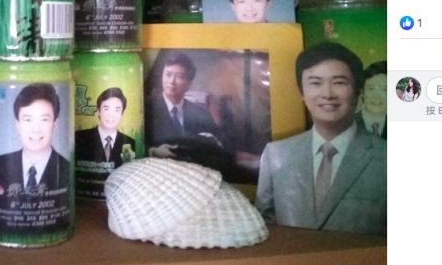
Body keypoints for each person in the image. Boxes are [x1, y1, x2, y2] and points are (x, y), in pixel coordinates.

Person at [255, 42, 386, 236]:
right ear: (301, 92)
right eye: (315, 83)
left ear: (358, 91)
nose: (327, 94)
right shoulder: (275, 155)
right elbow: (264, 228)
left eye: (339, 83)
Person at [0, 83, 71, 233]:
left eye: (44, 120)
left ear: (55, 124)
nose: (36, 129)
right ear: (17, 125)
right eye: (28, 119)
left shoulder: (67, 169)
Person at [145, 53, 223, 161]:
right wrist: (152, 151)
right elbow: (133, 145)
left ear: (189, 84)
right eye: (168, 74)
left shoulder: (201, 114)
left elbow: (219, 144)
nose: (171, 81)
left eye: (179, 77)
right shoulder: (146, 110)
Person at [75, 87, 136, 167]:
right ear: (98, 111)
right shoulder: (80, 137)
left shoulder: (129, 142)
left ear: (122, 113)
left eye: (116, 110)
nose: (111, 115)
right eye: (106, 109)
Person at [356, 61, 387, 139]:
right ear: (362, 92)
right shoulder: (345, 124)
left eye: (384, 89)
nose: (377, 96)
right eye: (371, 88)